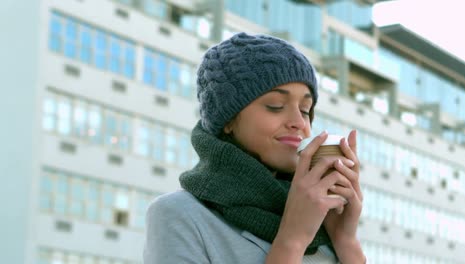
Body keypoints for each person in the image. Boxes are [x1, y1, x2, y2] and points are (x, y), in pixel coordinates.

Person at [143, 32, 366, 264]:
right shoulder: (179, 214)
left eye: (305, 110)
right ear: (228, 120)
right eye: (275, 106)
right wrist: (292, 240)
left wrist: (345, 240)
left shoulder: (322, 219)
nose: (299, 123)